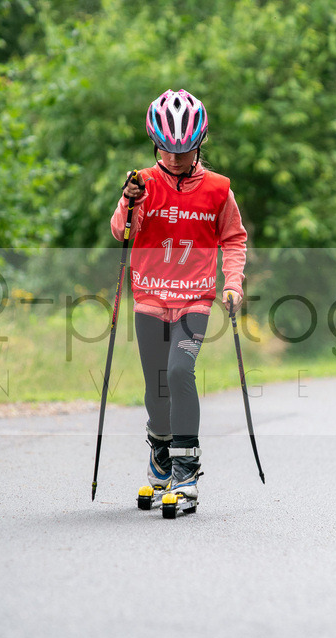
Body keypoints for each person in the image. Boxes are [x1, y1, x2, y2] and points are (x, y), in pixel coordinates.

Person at [110, 88, 248, 505]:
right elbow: (121, 231)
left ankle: (187, 469)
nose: (174, 158)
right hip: (150, 297)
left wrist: (233, 282)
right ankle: (160, 448)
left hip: (195, 298)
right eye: (167, 149)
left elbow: (235, 238)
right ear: (155, 143)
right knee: (156, 384)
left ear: (199, 144)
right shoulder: (142, 183)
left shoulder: (219, 189)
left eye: (184, 150)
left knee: (178, 372)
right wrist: (126, 201)